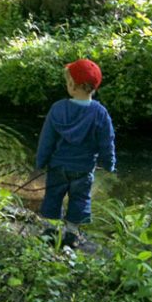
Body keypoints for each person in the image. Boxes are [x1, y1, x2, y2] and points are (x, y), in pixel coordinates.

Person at [36, 58, 116, 247]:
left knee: (53, 196)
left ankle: (50, 231)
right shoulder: (100, 113)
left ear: (71, 86)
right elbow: (107, 143)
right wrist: (108, 164)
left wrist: (41, 162)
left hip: (58, 166)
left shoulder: (58, 109)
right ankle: (71, 235)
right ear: (93, 88)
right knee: (80, 199)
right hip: (84, 168)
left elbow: (46, 140)